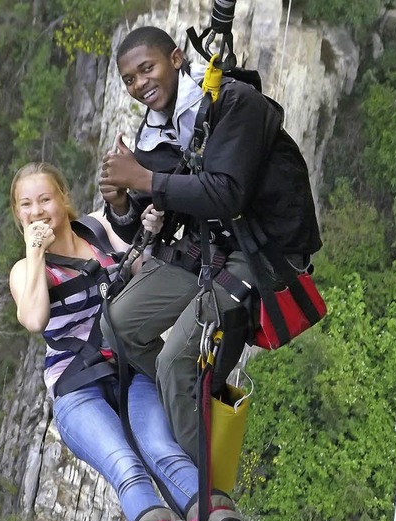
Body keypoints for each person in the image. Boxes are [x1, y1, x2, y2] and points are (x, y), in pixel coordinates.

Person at [8, 161, 259, 521]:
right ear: (18, 214)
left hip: (128, 369)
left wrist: (151, 233)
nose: (37, 211)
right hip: (77, 388)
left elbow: (139, 274)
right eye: (26, 205)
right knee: (126, 464)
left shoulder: (95, 231)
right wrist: (36, 251)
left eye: (45, 199)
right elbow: (34, 318)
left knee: (163, 449)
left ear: (64, 200)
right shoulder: (26, 271)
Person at [99, 26, 322, 465]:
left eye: (148, 68)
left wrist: (142, 178)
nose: (140, 84)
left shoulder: (235, 103)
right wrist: (123, 202)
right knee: (118, 326)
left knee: (175, 363)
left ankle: (203, 484)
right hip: (215, 245)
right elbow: (146, 228)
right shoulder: (157, 132)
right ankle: (186, 415)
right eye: (129, 79)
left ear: (177, 59)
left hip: (266, 249)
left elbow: (227, 193)